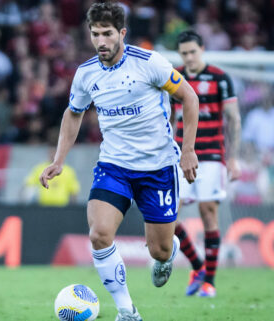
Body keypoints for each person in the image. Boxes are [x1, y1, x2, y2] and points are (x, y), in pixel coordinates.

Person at [39, 3, 199, 320]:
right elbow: (73, 113)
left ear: (122, 33)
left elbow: (189, 97)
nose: (101, 41)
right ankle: (127, 311)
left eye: (107, 34)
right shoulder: (86, 74)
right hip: (114, 166)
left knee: (160, 250)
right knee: (99, 233)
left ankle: (168, 252)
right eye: (95, 34)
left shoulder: (150, 63)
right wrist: (59, 159)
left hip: (158, 168)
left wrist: (189, 150)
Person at [172, 30, 242, 298]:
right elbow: (169, 118)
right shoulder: (174, 78)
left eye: (192, 51)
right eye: (184, 53)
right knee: (168, 218)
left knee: (208, 212)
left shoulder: (219, 78)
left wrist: (232, 157)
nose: (189, 57)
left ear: (202, 49)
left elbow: (233, 120)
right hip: (180, 154)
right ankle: (198, 266)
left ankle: (209, 283)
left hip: (212, 154)